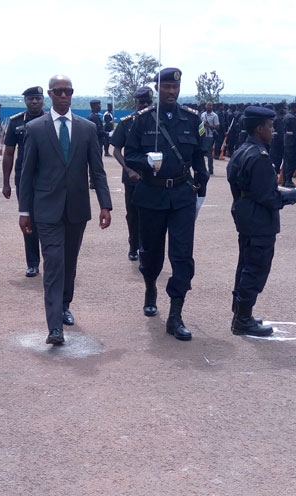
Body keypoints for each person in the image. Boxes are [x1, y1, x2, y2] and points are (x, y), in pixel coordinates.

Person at [17, 75, 112, 345]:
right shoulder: (35, 128)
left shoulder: (86, 128)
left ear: (72, 94)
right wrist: (24, 210)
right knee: (54, 263)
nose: (63, 95)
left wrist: (105, 204)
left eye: (67, 91)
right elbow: (26, 174)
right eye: (58, 91)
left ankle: (65, 305)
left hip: (77, 208)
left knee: (69, 263)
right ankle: (54, 325)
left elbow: (97, 169)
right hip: (46, 209)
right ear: (50, 94)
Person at [124, 67, 209, 341]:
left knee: (182, 255)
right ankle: (150, 286)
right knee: (151, 252)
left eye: (175, 87)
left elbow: (199, 156)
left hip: (182, 197)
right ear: (157, 88)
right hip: (151, 195)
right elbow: (130, 153)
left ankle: (176, 314)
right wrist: (145, 161)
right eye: (166, 87)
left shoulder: (191, 119)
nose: (171, 91)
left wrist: (201, 187)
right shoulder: (143, 120)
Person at [226, 106, 296, 337]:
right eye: (271, 127)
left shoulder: (243, 150)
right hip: (259, 219)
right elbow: (268, 197)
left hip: (246, 214)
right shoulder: (259, 156)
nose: (274, 131)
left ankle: (240, 314)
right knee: (256, 268)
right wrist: (295, 196)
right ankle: (243, 319)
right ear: (260, 128)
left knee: (246, 265)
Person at [2, 85, 46, 277]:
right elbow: (9, 153)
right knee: (28, 219)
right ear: (25, 101)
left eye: (37, 98)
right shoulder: (16, 123)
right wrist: (6, 182)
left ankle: (51, 259)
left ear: (43, 100)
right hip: (24, 177)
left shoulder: (51, 120)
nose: (34, 101)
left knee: (50, 218)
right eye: (31, 99)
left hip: (47, 176)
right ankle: (33, 263)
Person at [110, 86, 153, 262]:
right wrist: (128, 170)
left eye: (148, 102)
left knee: (150, 214)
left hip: (152, 177)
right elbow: (116, 151)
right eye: (141, 102)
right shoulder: (127, 122)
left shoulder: (157, 121)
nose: (144, 105)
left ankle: (146, 247)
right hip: (132, 178)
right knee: (133, 214)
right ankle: (133, 246)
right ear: (136, 102)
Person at [200, 102, 219, 175]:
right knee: (201, 152)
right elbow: (200, 125)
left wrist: (209, 126)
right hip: (203, 135)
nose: (209, 107)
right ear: (205, 106)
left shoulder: (214, 116)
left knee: (208, 153)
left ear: (212, 107)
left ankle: (210, 169)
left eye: (210, 105)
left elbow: (217, 126)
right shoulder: (202, 114)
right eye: (207, 105)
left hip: (210, 136)